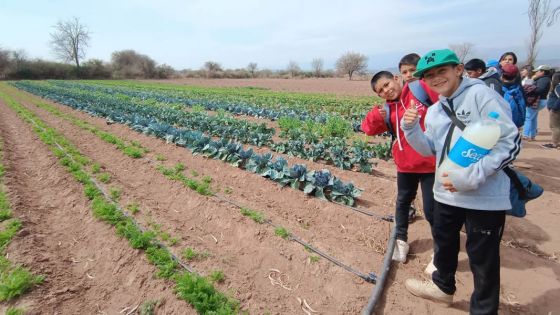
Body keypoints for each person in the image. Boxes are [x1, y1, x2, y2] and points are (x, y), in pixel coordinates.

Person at [401, 49, 520, 314]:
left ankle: (483, 310)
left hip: (484, 197)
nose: (435, 78)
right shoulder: (434, 111)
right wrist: (410, 129)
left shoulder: (481, 95)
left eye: (441, 71)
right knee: (444, 244)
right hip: (445, 193)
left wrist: (472, 176)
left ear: (458, 69)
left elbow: (509, 142)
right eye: (428, 75)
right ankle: (442, 288)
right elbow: (431, 149)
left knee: (482, 259)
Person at [361, 69, 438, 267]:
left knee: (432, 210)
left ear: (396, 79)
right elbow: (368, 130)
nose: (385, 91)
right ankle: (401, 241)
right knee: (403, 203)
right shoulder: (387, 110)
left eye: (386, 85)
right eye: (380, 91)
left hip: (431, 163)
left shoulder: (420, 91)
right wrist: (376, 115)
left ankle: (440, 252)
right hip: (406, 164)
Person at [523, 65, 552, 140]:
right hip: (540, 100)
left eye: (537, 71)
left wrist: (530, 89)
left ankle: (526, 134)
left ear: (542, 72)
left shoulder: (544, 79)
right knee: (533, 118)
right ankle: (532, 135)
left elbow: (540, 90)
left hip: (538, 100)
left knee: (528, 117)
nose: (535, 73)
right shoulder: (542, 79)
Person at [501, 64, 526, 128]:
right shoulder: (518, 89)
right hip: (515, 124)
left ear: (502, 75)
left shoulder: (499, 89)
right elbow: (522, 106)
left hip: (502, 123)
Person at [542, 72, 560, 149]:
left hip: (556, 110)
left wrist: (554, 108)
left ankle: (554, 143)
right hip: (556, 109)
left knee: (554, 127)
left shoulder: (558, 87)